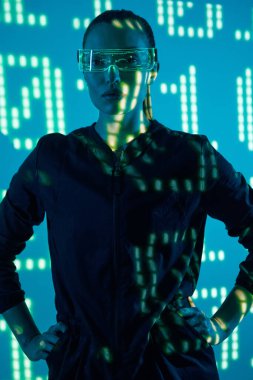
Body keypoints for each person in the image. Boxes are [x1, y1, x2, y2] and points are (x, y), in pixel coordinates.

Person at [0, 8, 253, 380]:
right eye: (98, 60)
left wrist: (222, 323)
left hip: (175, 369)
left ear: (152, 67)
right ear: (84, 68)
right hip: (81, 370)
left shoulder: (190, 158)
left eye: (129, 60)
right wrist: (27, 338)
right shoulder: (53, 160)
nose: (111, 75)